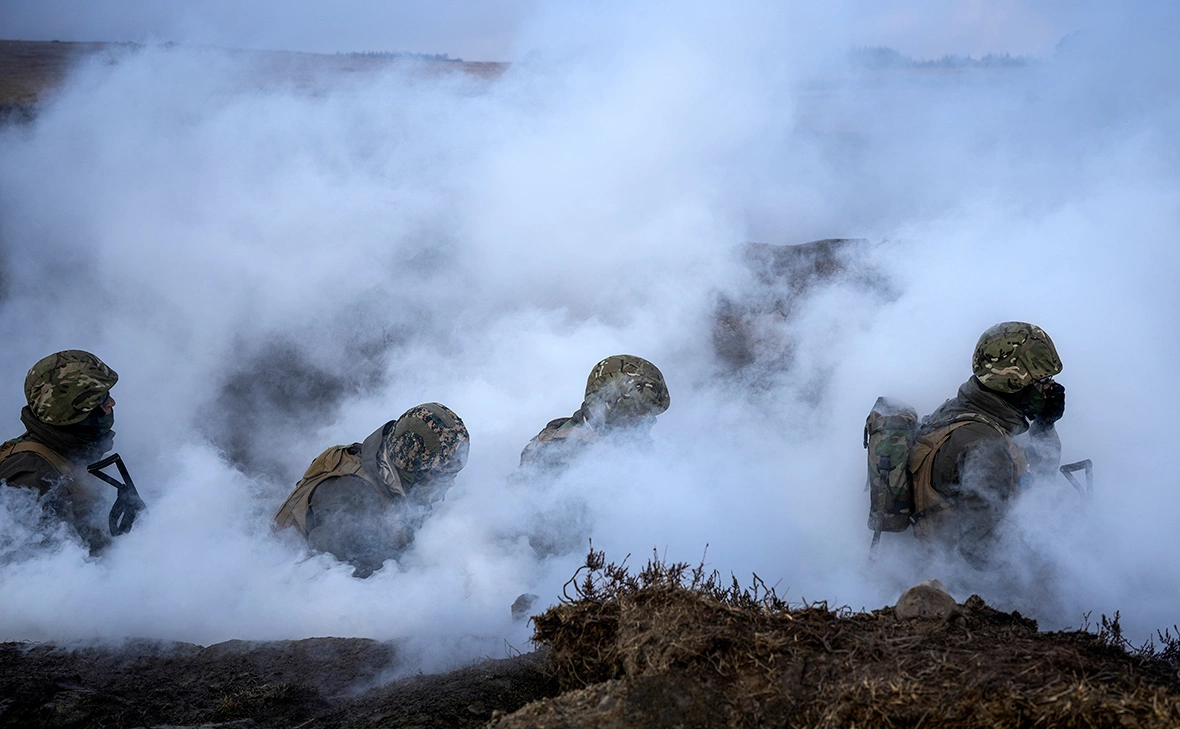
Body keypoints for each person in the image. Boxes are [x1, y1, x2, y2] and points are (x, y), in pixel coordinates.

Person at [910, 322, 1066, 567]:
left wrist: (1044, 426)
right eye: (1043, 380)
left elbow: (1028, 473)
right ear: (1014, 382)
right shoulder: (987, 447)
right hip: (957, 580)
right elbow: (983, 552)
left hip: (928, 558)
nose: (1051, 388)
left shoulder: (958, 409)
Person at [273, 402, 469, 577]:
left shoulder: (390, 467)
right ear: (415, 470)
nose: (451, 483)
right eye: (443, 476)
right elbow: (349, 588)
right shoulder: (354, 503)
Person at [0, 349, 122, 552]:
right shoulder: (31, 476)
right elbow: (39, 564)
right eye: (101, 398)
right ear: (69, 413)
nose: (111, 403)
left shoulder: (69, 450)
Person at [519, 354, 670, 469]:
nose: (646, 420)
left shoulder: (629, 444)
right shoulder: (561, 453)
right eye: (636, 411)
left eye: (648, 412)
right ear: (606, 404)